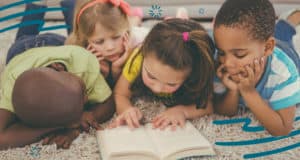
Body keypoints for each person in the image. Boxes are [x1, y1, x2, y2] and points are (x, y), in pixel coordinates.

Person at [7, 0, 149, 87]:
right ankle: (35, 6)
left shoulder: (138, 41)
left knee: (90, 26)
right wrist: (92, 70)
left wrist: (115, 70)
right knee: (22, 39)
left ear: (126, 30)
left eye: (116, 37)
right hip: (27, 49)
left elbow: (119, 90)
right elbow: (83, 93)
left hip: (82, 39)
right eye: (100, 42)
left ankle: (69, 2)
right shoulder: (77, 49)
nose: (110, 47)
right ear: (86, 40)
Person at [0, 45, 114, 150]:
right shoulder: (13, 85)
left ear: (59, 68)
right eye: (83, 91)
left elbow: (109, 102)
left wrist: (83, 120)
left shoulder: (83, 64)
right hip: (20, 56)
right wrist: (62, 125)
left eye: (83, 91)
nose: (87, 98)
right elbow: (2, 139)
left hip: (46, 45)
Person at [213, 0, 300, 136]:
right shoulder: (220, 63)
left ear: (267, 47)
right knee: (273, 34)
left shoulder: (283, 72)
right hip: (260, 45)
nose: (228, 62)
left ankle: (291, 19)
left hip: (287, 52)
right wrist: (233, 91)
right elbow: (224, 112)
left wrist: (249, 92)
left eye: (239, 54)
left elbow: (282, 129)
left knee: (284, 35)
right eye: (222, 52)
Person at [111, 18, 215, 130]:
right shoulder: (138, 58)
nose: (157, 88)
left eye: (171, 84)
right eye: (151, 76)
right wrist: (126, 109)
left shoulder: (197, 71)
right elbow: (120, 93)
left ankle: (181, 17)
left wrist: (183, 111)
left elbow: (209, 105)